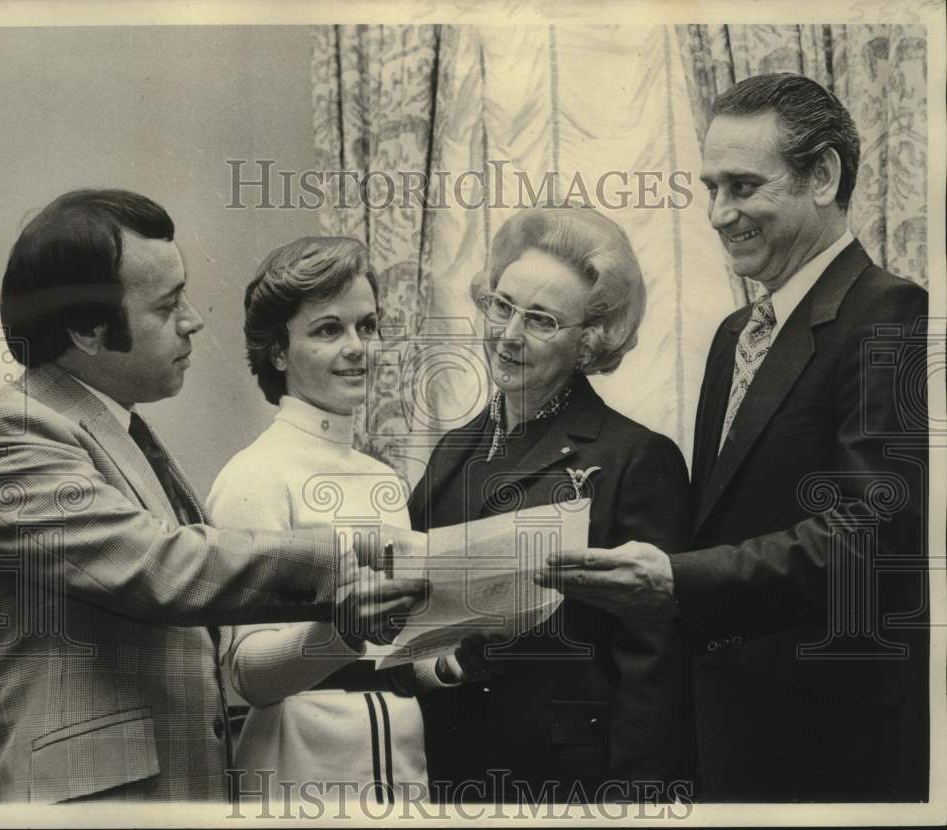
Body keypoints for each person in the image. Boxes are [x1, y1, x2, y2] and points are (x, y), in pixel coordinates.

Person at [541, 73, 929, 802]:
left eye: (744, 187)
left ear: (823, 175)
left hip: (833, 752)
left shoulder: (891, 313)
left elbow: (873, 541)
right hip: (729, 740)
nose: (719, 215)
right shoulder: (733, 334)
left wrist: (679, 581)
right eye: (711, 187)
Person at [0, 190, 426, 803]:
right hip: (88, 801)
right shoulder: (15, 431)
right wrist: (352, 551)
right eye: (167, 305)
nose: (194, 319)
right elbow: (162, 566)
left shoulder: (114, 427)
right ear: (87, 330)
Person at [409, 206, 693, 804]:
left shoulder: (637, 459)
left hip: (570, 781)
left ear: (589, 341)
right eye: (502, 305)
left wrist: (634, 804)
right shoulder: (452, 452)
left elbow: (654, 664)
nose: (509, 334)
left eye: (540, 319)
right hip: (447, 767)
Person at [209, 236, 447, 803]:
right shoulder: (254, 477)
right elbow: (244, 674)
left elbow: (397, 658)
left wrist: (452, 663)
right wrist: (340, 633)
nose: (358, 348)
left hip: (403, 778)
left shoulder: (384, 480)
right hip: (300, 777)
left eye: (367, 326)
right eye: (328, 330)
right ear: (279, 353)